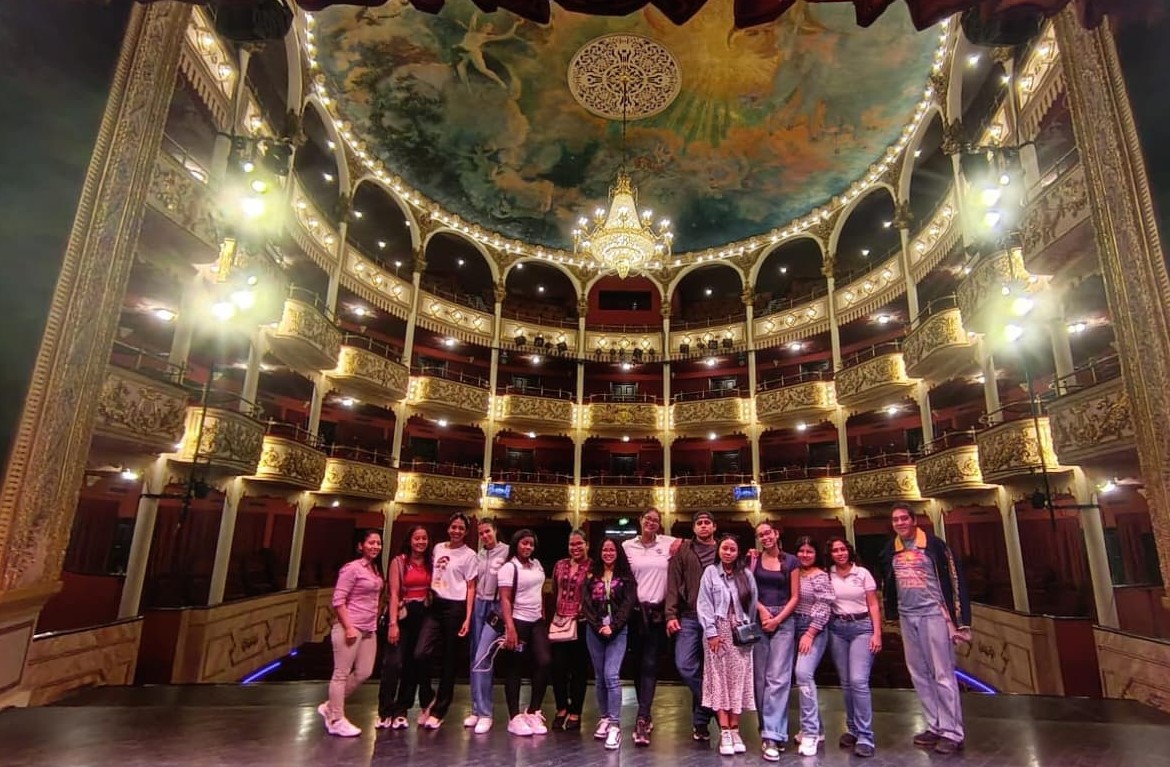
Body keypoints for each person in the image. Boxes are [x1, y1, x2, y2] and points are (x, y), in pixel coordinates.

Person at [880, 503, 971, 755]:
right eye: (895, 520)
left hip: (934, 614)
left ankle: (953, 731)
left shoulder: (934, 545)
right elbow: (888, 582)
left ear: (914, 520)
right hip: (908, 616)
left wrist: (960, 618)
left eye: (903, 518)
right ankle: (935, 725)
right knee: (918, 673)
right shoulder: (891, 549)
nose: (899, 523)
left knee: (942, 673)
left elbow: (954, 579)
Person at [621, 507, 679, 746]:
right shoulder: (627, 546)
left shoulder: (667, 543)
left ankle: (642, 717)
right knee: (636, 664)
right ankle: (645, 710)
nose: (652, 523)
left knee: (650, 663)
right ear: (640, 520)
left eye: (656, 520)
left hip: (656, 613)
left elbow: (694, 541)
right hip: (634, 613)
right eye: (648, 519)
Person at [697, 533, 758, 757]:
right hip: (717, 632)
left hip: (740, 634)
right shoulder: (710, 573)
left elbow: (752, 604)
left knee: (738, 681)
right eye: (725, 548)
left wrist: (748, 629)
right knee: (719, 681)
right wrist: (711, 633)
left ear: (737, 551)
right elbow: (703, 604)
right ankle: (724, 730)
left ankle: (735, 729)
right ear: (719, 550)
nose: (728, 552)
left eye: (732, 549)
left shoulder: (746, 574)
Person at [415, 512, 478, 729]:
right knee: (420, 654)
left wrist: (468, 618)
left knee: (449, 661)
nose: (457, 531)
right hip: (435, 605)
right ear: (448, 528)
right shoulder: (438, 548)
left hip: (456, 607)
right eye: (454, 527)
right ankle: (427, 699)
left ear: (466, 532)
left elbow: (471, 587)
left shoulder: (470, 555)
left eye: (461, 528)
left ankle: (440, 710)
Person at [319, 529, 383, 737]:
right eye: (371, 543)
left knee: (364, 672)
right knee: (341, 673)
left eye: (378, 543)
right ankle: (336, 718)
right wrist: (348, 627)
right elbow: (338, 600)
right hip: (351, 627)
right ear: (360, 546)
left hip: (369, 629)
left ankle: (330, 706)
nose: (375, 547)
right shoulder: (352, 569)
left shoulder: (375, 569)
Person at [825, 536, 882, 758]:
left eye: (843, 549)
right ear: (830, 554)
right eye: (835, 551)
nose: (840, 553)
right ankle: (853, 729)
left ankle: (866, 735)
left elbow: (873, 604)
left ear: (849, 551)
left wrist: (877, 633)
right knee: (846, 682)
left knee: (859, 680)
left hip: (862, 627)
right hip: (838, 628)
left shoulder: (862, 573)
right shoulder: (827, 575)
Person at [665, 510, 719, 742]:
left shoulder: (724, 549)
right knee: (685, 665)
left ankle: (700, 723)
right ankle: (715, 703)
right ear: (694, 528)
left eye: (708, 522)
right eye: (699, 523)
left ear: (714, 527)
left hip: (718, 619)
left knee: (712, 670)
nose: (704, 526)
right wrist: (670, 614)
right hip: (689, 616)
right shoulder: (683, 550)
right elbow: (673, 582)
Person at [581, 537, 637, 750]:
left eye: (612, 549)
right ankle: (604, 717)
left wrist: (613, 626)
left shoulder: (626, 577)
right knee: (599, 677)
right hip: (594, 630)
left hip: (618, 631)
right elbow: (585, 603)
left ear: (618, 552)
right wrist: (598, 626)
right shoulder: (591, 575)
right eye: (604, 549)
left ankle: (614, 724)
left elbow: (628, 604)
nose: (608, 553)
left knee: (611, 676)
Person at [376, 525, 435, 730]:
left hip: (423, 615)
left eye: (424, 538)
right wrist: (393, 623)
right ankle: (385, 710)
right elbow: (393, 594)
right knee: (392, 664)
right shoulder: (399, 562)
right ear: (410, 540)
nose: (421, 542)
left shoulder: (430, 562)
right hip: (402, 614)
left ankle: (402, 710)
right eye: (417, 538)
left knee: (412, 664)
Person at [751, 521, 800, 761]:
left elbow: (795, 596)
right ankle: (768, 730)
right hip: (760, 618)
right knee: (760, 679)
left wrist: (778, 619)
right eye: (761, 535)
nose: (765, 537)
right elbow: (749, 591)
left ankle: (773, 734)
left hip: (784, 620)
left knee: (778, 678)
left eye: (768, 532)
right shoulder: (754, 560)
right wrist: (761, 611)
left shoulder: (790, 561)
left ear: (776, 534)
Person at [498, 529, 551, 737]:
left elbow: (539, 592)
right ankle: (514, 717)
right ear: (516, 544)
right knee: (515, 667)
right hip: (517, 620)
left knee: (544, 661)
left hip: (536, 620)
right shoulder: (509, 567)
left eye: (531, 544)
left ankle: (532, 711)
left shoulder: (536, 564)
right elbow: (505, 599)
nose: (528, 547)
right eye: (524, 543)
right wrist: (510, 627)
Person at [467, 518, 509, 734]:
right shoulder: (479, 554)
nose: (485, 536)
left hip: (496, 607)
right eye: (481, 533)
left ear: (495, 531)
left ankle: (486, 712)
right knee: (474, 656)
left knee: (483, 657)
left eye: (488, 532)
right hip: (478, 605)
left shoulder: (507, 551)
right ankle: (475, 708)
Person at [792, 535, 833, 757]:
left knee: (803, 673)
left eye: (809, 551)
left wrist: (810, 632)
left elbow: (824, 606)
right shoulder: (794, 571)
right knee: (799, 676)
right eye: (801, 551)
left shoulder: (820, 576)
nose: (804, 555)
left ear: (816, 554)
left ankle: (809, 732)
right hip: (793, 625)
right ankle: (818, 729)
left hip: (813, 627)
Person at [550, 529, 592, 731]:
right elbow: (555, 592)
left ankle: (576, 711)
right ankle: (561, 708)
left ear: (587, 545)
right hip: (559, 623)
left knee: (578, 670)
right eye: (572, 544)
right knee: (557, 668)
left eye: (579, 544)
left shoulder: (593, 566)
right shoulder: (560, 565)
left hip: (582, 624)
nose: (575, 548)